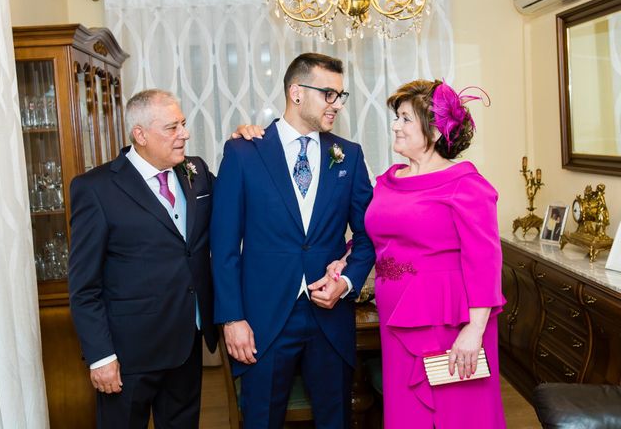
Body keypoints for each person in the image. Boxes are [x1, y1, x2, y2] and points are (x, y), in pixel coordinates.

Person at [68, 89, 257, 428]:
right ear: (140, 134)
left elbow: (238, 199)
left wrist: (247, 145)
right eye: (172, 128)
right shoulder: (95, 189)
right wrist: (100, 357)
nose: (184, 134)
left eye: (183, 124)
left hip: (187, 343)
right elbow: (84, 286)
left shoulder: (195, 171)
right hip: (128, 355)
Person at [211, 52, 376, 428]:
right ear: (296, 91)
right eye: (328, 94)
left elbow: (368, 237)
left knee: (335, 419)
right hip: (264, 320)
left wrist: (347, 282)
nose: (336, 104)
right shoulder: (243, 152)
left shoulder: (347, 156)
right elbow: (223, 247)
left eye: (340, 95)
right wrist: (232, 317)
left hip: (330, 318)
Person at [361, 79, 506, 428]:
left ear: (436, 131)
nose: (395, 125)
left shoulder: (466, 185)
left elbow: (485, 262)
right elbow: (383, 239)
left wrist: (473, 331)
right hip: (396, 317)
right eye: (397, 117)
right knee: (407, 410)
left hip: (447, 321)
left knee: (457, 413)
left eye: (406, 119)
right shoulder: (389, 180)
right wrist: (343, 261)